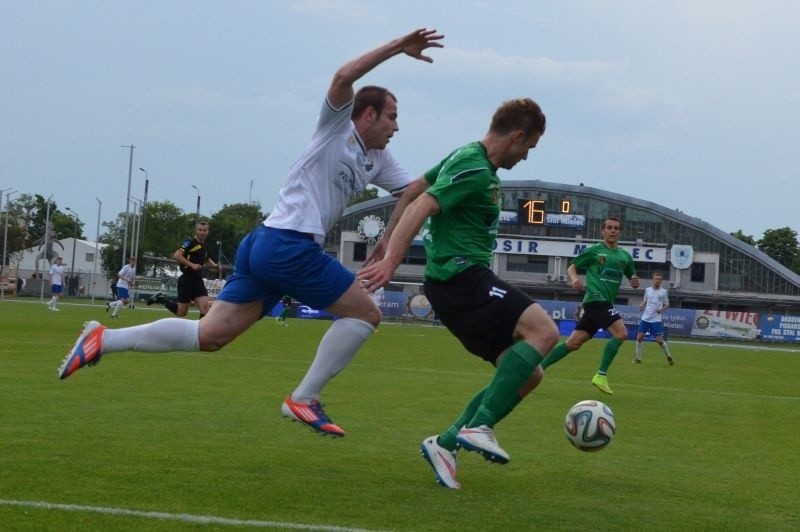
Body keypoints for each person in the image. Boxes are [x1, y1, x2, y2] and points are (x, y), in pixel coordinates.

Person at [58, 28, 444, 438]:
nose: (396, 127)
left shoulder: (377, 158)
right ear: (368, 114)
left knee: (210, 336)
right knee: (366, 313)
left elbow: (417, 190)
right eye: (392, 117)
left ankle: (103, 339)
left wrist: (457, 168)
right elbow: (342, 78)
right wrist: (397, 47)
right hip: (286, 245)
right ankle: (304, 398)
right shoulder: (336, 128)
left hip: (267, 246)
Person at [358, 98, 559, 490]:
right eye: (528, 148)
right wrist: (392, 259)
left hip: (455, 285)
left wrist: (385, 239)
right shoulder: (475, 169)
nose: (525, 158)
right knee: (545, 332)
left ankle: (447, 443)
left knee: (527, 374)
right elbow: (423, 205)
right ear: (517, 136)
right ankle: (480, 424)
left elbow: (413, 189)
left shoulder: (466, 155)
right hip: (460, 276)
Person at [540, 217, 640, 394]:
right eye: (609, 228)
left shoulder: (625, 257)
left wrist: (634, 281)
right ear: (603, 231)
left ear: (620, 232)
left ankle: (537, 368)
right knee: (621, 333)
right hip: (595, 300)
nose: (612, 231)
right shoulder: (594, 251)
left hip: (604, 303)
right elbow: (572, 267)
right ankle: (601, 375)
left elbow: (633, 278)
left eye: (616, 228)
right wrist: (575, 279)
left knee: (573, 343)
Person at [148, 221, 219, 319]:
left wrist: (216, 266)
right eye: (200, 230)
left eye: (204, 230)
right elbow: (176, 255)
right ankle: (161, 299)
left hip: (197, 280)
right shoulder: (189, 242)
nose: (202, 232)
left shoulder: (205, 247)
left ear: (208, 232)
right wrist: (192, 265)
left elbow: (207, 260)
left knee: (205, 310)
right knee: (181, 313)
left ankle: (200, 333)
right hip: (186, 280)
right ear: (196, 231)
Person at [634, 272, 674, 365]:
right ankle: (638, 359)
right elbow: (646, 299)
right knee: (639, 337)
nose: (657, 281)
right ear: (653, 280)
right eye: (656, 279)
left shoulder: (664, 292)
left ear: (661, 281)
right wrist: (642, 304)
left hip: (656, 319)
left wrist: (661, 309)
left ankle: (669, 356)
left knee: (659, 341)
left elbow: (667, 304)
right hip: (645, 318)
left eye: (659, 279)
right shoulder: (647, 290)